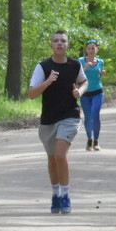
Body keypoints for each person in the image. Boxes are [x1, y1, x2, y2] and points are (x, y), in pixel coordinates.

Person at [28, 30, 88, 214]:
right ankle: (55, 195)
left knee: (61, 155)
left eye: (63, 41)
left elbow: (84, 81)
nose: (59, 44)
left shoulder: (75, 65)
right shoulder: (43, 67)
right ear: (51, 45)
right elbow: (31, 94)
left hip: (70, 116)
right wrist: (47, 82)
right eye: (56, 41)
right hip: (48, 119)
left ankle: (65, 195)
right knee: (52, 158)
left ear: (68, 45)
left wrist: (80, 91)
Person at [80, 39, 106, 151]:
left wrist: (102, 75)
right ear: (86, 49)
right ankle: (89, 140)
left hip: (97, 92)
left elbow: (98, 78)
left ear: (97, 49)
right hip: (85, 93)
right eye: (89, 48)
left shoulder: (100, 62)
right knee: (88, 117)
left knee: (95, 115)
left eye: (93, 48)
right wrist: (85, 67)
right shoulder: (80, 61)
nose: (91, 50)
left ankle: (96, 141)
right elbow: (78, 76)